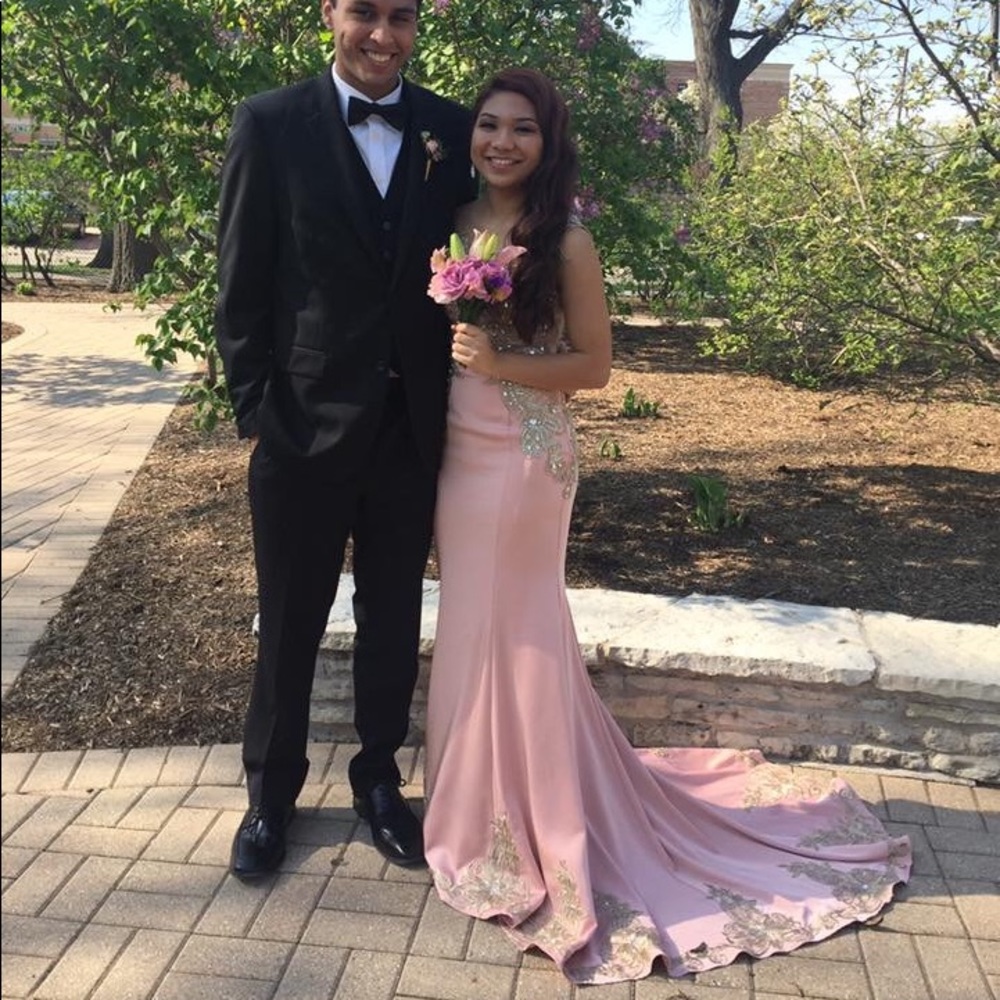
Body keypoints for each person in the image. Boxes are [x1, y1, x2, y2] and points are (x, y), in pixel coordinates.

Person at [422, 68, 912, 985]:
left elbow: (597, 368)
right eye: (489, 125)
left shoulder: (565, 239)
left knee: (519, 629)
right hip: (457, 447)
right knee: (469, 623)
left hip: (527, 455)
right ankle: (474, 802)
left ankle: (535, 823)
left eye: (522, 129)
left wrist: (497, 358)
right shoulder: (448, 218)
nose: (501, 142)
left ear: (548, 140)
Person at [215, 0, 477, 880]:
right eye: (364, 11)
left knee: (393, 619)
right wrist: (260, 411)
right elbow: (241, 282)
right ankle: (270, 796)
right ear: (330, 13)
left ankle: (378, 783)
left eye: (401, 17)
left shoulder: (448, 128)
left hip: (410, 432)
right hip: (300, 431)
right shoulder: (270, 123)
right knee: (289, 623)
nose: (382, 35)